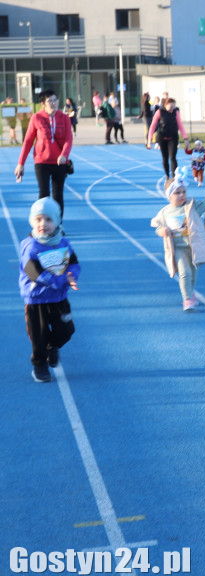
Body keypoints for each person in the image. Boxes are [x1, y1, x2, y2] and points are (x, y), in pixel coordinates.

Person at [20, 197, 79, 383]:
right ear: (32, 221)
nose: (43, 224)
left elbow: (73, 264)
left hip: (59, 298)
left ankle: (52, 347)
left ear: (57, 221)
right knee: (39, 337)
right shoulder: (31, 247)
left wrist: (72, 276)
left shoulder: (63, 243)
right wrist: (59, 280)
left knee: (66, 330)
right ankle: (39, 365)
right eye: (38, 219)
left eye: (48, 219)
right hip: (36, 300)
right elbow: (35, 273)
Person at [151, 169, 205, 311]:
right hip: (178, 248)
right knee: (184, 272)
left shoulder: (192, 207)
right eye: (177, 193)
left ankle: (190, 293)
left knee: (193, 274)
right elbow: (157, 225)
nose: (182, 195)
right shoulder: (165, 212)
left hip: (193, 247)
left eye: (183, 192)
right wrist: (161, 231)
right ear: (169, 196)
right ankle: (187, 299)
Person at [15, 90, 74, 217]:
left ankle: (58, 224)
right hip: (42, 162)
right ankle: (43, 223)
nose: (53, 103)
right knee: (44, 195)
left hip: (60, 163)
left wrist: (64, 155)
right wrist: (21, 163)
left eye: (55, 100)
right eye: (50, 101)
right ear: (43, 104)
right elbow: (28, 141)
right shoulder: (36, 118)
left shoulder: (64, 118)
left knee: (58, 195)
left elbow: (69, 139)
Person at [148, 97, 189, 183]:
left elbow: (180, 126)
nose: (172, 109)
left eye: (173, 107)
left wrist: (185, 138)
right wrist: (149, 140)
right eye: (170, 107)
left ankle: (175, 177)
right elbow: (153, 126)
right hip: (162, 137)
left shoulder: (176, 112)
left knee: (173, 157)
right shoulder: (159, 112)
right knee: (165, 157)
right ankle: (167, 176)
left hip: (173, 137)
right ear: (165, 105)